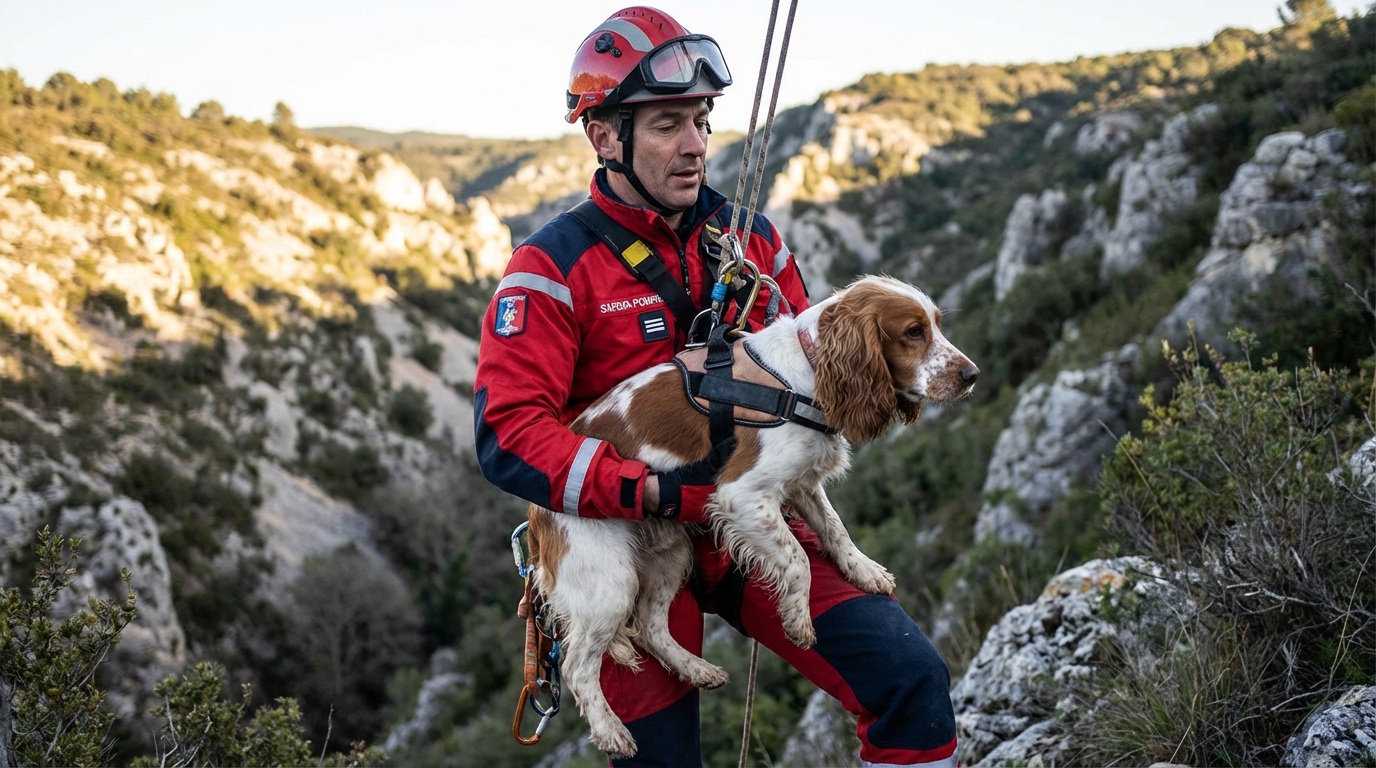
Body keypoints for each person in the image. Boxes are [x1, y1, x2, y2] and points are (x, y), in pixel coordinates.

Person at [473, 7, 958, 767]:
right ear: (604, 136)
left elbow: (818, 383)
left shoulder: (749, 240)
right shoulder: (551, 269)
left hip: (744, 517)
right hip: (625, 537)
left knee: (913, 684)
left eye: (700, 119)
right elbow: (506, 435)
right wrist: (653, 495)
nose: (696, 143)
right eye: (668, 124)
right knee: (661, 760)